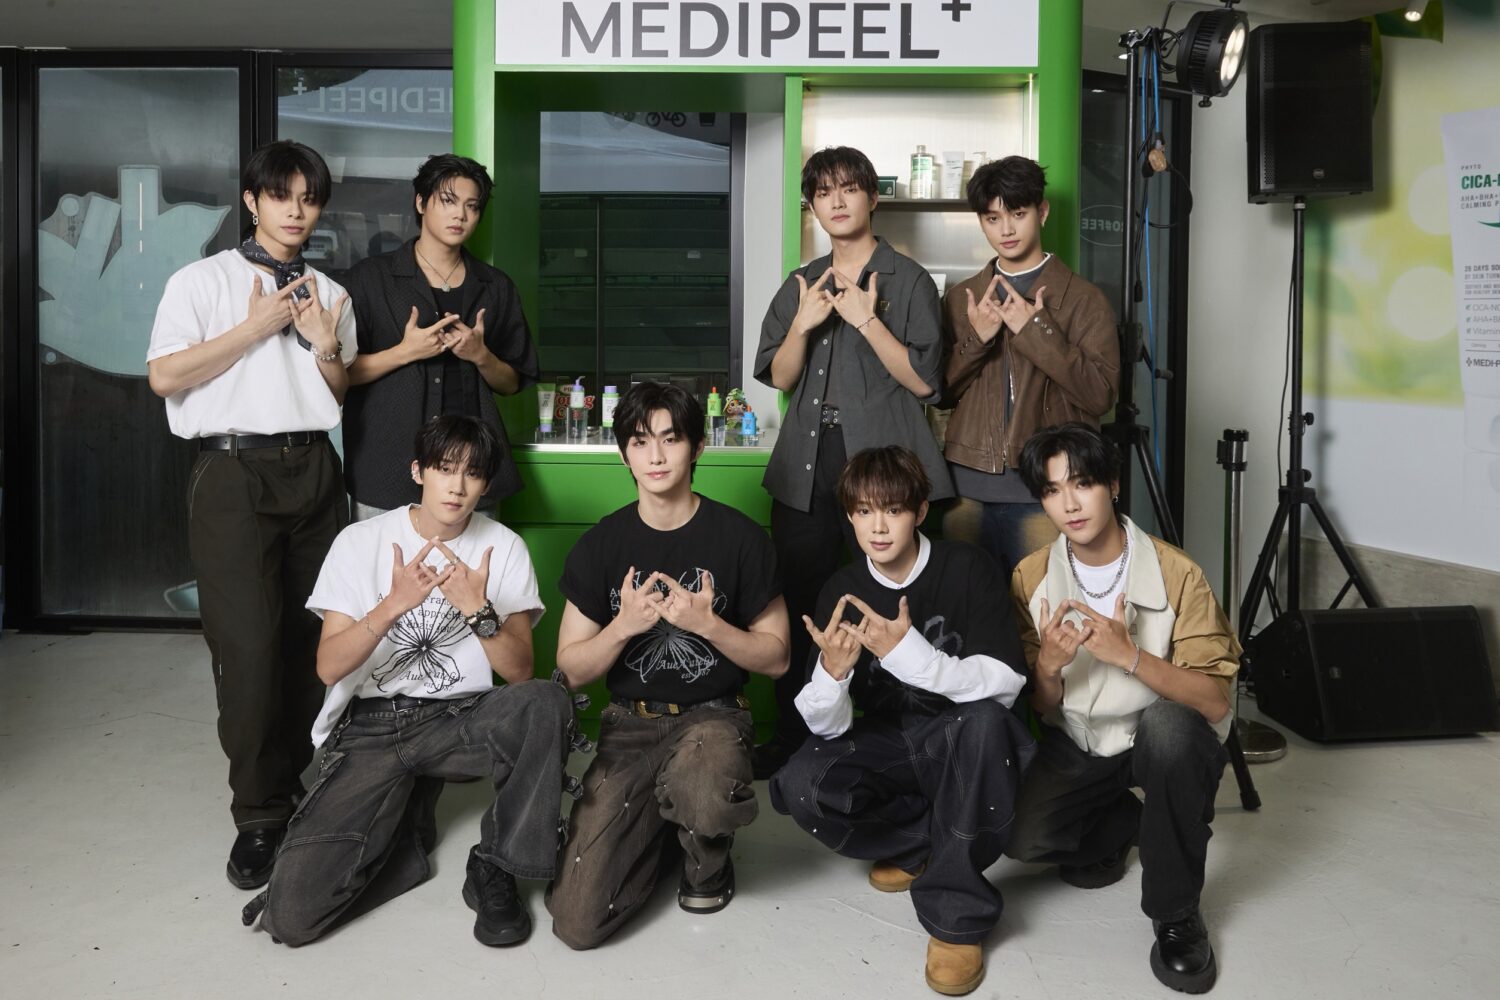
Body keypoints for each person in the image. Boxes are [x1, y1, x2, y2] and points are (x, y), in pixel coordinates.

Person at [245, 415, 572, 947]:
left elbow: (519, 674)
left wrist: (478, 611)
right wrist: (393, 604)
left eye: (472, 473)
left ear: (486, 485)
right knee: (290, 917)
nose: (457, 486)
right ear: (419, 471)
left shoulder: (503, 546)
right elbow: (328, 667)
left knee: (547, 701)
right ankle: (404, 844)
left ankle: (495, 867)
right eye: (445, 469)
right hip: (371, 725)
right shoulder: (360, 541)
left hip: (457, 719)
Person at [146, 140, 357, 890]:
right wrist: (255, 327)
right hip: (232, 470)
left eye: (309, 198)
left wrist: (326, 348)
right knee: (248, 645)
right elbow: (164, 375)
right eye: (281, 195)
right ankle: (260, 812)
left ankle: (295, 780)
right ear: (252, 201)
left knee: (313, 637)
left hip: (315, 467)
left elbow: (336, 394)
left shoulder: (331, 292)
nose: (296, 211)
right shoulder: (201, 280)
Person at [770, 445, 1034, 997]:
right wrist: (833, 675)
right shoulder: (842, 588)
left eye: (892, 510)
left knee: (986, 723)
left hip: (961, 738)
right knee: (800, 783)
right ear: (849, 517)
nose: (878, 527)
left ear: (919, 510)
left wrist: (913, 657)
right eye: (864, 511)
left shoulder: (966, 567)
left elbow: (1007, 682)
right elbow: (828, 728)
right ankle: (921, 842)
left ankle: (957, 915)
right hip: (890, 740)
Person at [547, 381, 790, 949]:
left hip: (713, 718)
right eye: (640, 441)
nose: (655, 455)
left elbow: (778, 658)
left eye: (671, 438)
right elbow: (571, 669)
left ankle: (707, 860)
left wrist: (708, 625)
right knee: (577, 923)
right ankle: (660, 827)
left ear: (697, 447)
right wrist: (623, 626)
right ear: (624, 454)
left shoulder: (740, 538)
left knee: (704, 790)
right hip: (629, 726)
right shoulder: (602, 544)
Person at [1007, 422, 1240, 994]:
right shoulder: (1030, 577)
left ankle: (1176, 914)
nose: (1069, 504)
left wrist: (1130, 656)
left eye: (1082, 483)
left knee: (1171, 732)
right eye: (1052, 490)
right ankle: (1129, 824)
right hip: (1080, 741)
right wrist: (1048, 667)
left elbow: (1214, 702)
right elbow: (1041, 703)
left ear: (1113, 484)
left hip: (1156, 736)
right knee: (1019, 839)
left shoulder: (1177, 573)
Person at [752, 145, 954, 778]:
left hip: (883, 468)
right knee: (800, 600)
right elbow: (780, 376)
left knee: (893, 599)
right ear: (812, 206)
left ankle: (900, 738)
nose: (836, 202)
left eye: (848, 188)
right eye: (823, 192)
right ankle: (795, 735)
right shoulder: (802, 281)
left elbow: (926, 383)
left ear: (872, 196)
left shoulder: (908, 280)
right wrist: (804, 323)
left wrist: (866, 321)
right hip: (806, 462)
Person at [940, 155, 1119, 583]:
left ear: (1042, 212)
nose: (1006, 229)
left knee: (1045, 611)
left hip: (1047, 489)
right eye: (992, 218)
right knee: (968, 610)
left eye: (1018, 214)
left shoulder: (1083, 299)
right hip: (966, 490)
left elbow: (1100, 395)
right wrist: (977, 338)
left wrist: (1035, 329)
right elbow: (939, 392)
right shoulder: (963, 298)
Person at [342, 153, 540, 520]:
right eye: (448, 201)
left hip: (471, 471)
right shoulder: (371, 279)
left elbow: (512, 382)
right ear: (420, 203)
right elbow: (340, 374)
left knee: (476, 559)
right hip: (387, 467)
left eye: (472, 206)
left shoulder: (495, 287)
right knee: (384, 559)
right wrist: (405, 352)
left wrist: (480, 355)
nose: (460, 215)